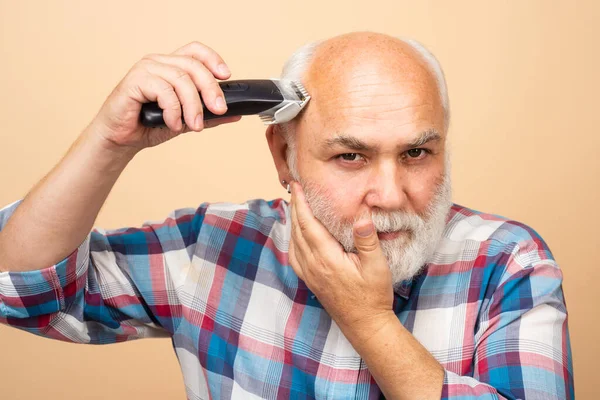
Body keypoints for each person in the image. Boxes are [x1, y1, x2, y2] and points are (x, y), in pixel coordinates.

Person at [0, 31, 574, 399]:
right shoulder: (213, 247)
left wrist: (369, 322)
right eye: (351, 156)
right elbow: (22, 291)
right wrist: (110, 140)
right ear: (284, 155)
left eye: (417, 153)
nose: (392, 194)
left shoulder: (509, 263)